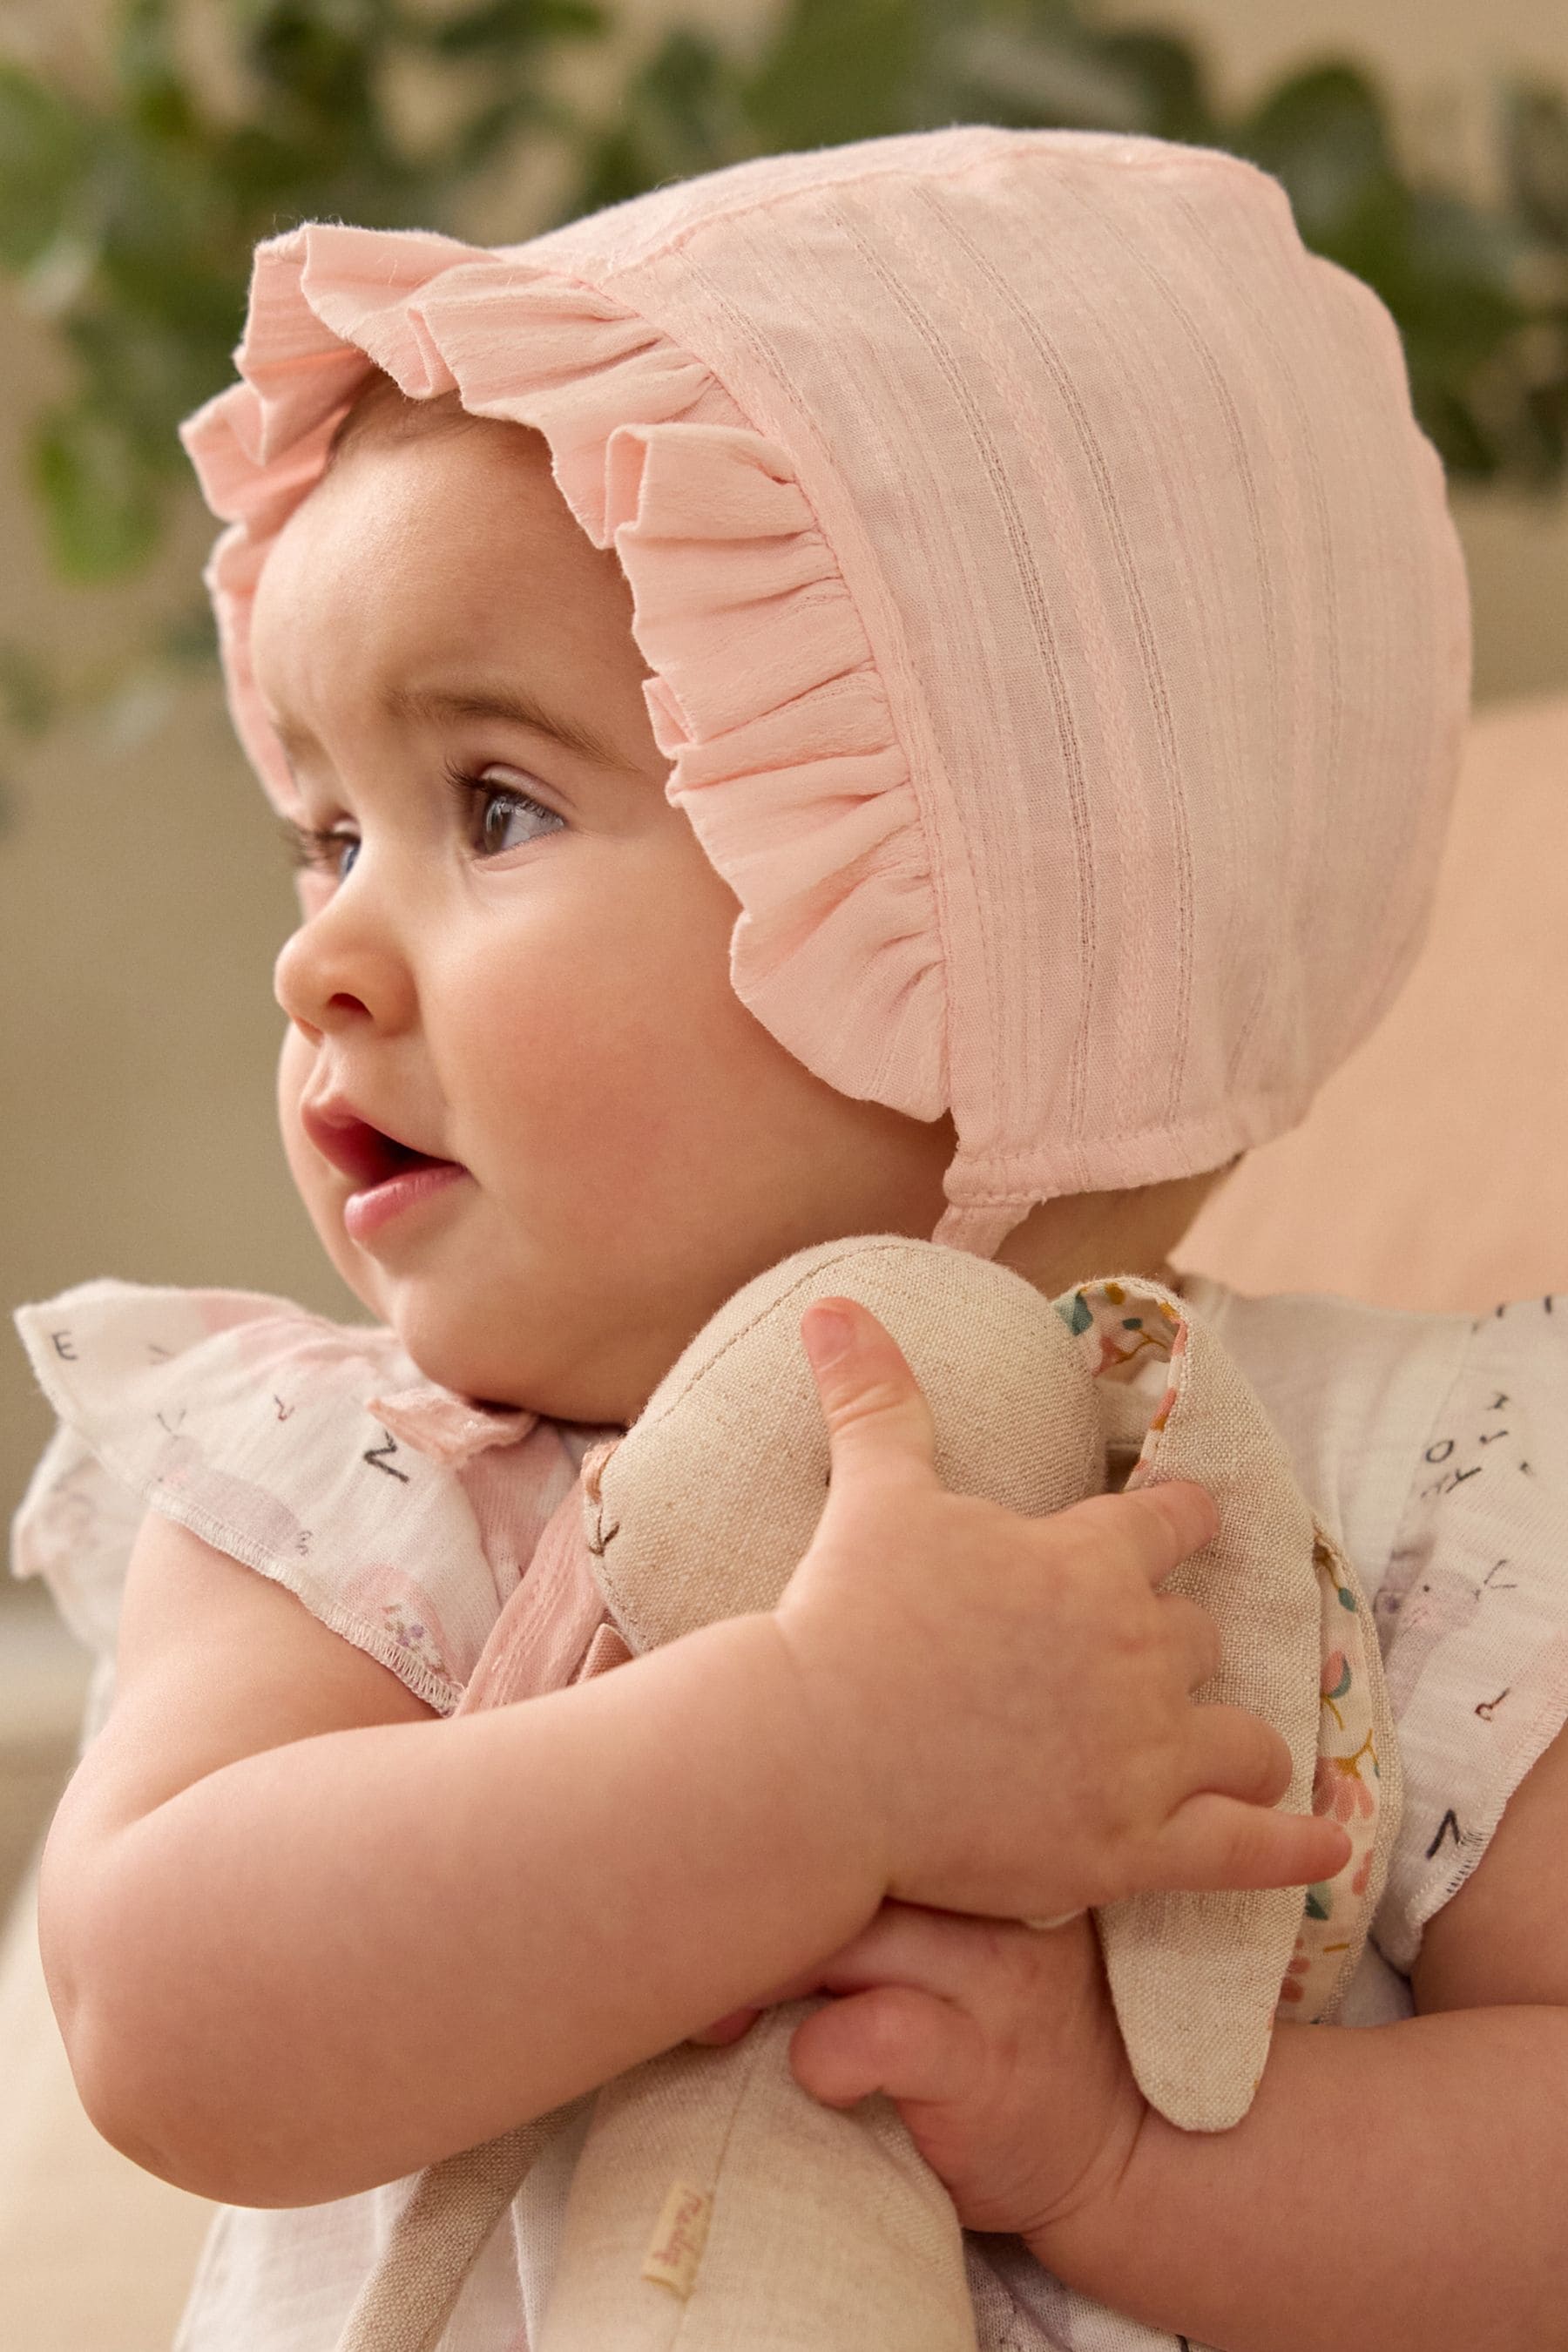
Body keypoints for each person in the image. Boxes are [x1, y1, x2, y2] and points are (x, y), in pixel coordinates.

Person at [10, 125, 1566, 2352]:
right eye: (324, 830)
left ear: (1017, 912)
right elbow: (172, 2015)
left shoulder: (1419, 1497)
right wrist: (811, 1757)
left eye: (497, 806)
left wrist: (1126, 2173)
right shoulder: (374, 1490)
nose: (324, 956)